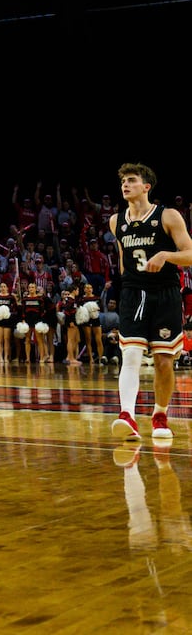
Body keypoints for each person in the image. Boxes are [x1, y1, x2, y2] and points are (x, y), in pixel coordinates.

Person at [108, 163, 192, 443]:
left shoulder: (168, 215)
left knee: (163, 361)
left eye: (131, 180)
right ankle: (127, 416)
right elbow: (122, 260)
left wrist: (166, 255)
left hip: (165, 293)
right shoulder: (115, 221)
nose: (125, 185)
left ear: (146, 187)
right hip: (134, 293)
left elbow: (190, 254)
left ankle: (160, 415)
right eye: (123, 181)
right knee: (130, 355)